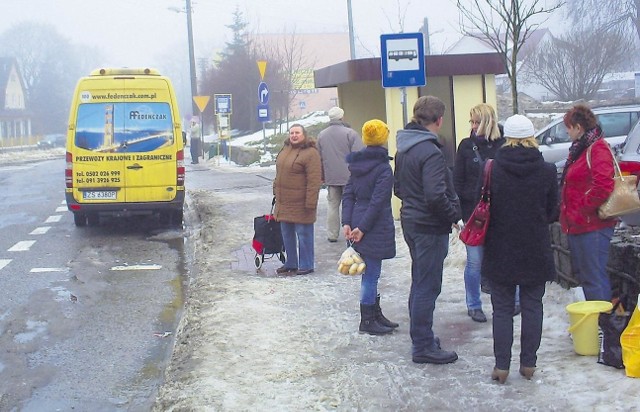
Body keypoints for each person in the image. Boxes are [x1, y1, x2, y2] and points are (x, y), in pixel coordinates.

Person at [482, 114, 558, 384]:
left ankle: (501, 367)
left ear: (507, 138)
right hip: (535, 247)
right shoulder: (547, 170)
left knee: (502, 309)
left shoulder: (491, 168)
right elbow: (552, 212)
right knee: (533, 306)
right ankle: (529, 364)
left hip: (499, 247)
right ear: (532, 137)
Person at [394, 95, 462, 364]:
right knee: (427, 286)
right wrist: (453, 215)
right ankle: (422, 345)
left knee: (419, 281)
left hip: (412, 222)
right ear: (439, 120)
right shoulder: (431, 152)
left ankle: (421, 338)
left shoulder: (404, 149)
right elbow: (436, 196)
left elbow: (397, 188)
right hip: (429, 226)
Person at [342, 119, 397, 335]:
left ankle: (375, 314)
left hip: (358, 220)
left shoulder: (356, 166)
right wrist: (363, 228)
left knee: (371, 272)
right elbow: (378, 202)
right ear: (383, 139)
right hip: (374, 224)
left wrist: (347, 222)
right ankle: (367, 320)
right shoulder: (383, 168)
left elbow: (348, 195)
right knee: (371, 273)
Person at [453, 103, 505, 323]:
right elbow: (457, 181)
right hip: (473, 214)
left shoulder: (502, 146)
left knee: (501, 259)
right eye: (471, 122)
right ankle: (474, 305)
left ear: (488, 122)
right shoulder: (466, 146)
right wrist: (461, 212)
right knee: (474, 262)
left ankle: (506, 303)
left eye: (477, 122)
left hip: (500, 212)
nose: (473, 126)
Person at [559, 105, 616, 301]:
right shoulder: (580, 149)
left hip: (593, 225)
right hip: (580, 225)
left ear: (578, 127)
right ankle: (596, 323)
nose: (566, 132)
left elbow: (603, 186)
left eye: (568, 127)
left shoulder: (597, 148)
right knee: (588, 277)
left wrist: (581, 209)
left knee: (594, 277)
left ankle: (603, 325)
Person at [273, 124, 322, 276]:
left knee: (304, 234)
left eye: (297, 133)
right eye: (292, 133)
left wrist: (311, 202)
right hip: (284, 201)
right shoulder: (285, 149)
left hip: (302, 203)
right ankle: (291, 263)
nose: (294, 135)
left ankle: (306, 264)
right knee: (286, 234)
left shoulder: (311, 153)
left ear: (304, 135)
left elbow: (314, 180)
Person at [317, 106, 364, 243]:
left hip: (331, 177)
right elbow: (358, 155)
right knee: (350, 204)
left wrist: (322, 175)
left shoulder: (322, 135)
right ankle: (352, 231)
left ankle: (332, 234)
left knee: (332, 206)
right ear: (342, 117)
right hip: (350, 177)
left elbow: (318, 157)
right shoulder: (351, 134)